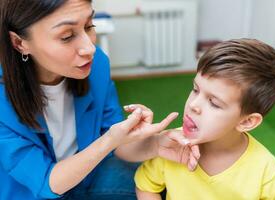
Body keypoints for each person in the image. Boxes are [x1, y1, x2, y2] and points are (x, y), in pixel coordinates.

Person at [0, 0, 200, 199]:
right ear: (19, 43)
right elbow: (47, 182)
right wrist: (110, 140)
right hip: (32, 193)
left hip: (88, 176)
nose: (89, 48)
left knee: (163, 181)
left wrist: (156, 144)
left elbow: (116, 144)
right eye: (67, 36)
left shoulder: (96, 65)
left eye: (89, 26)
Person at [135, 39, 275, 200]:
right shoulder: (171, 145)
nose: (193, 105)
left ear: (246, 121)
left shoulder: (264, 169)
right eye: (195, 90)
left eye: (214, 103)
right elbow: (146, 185)